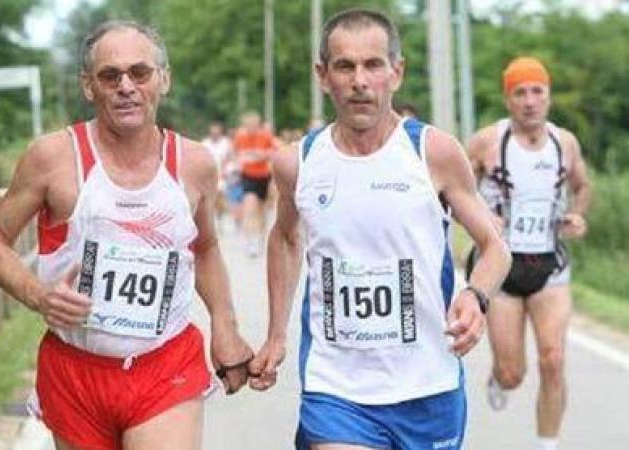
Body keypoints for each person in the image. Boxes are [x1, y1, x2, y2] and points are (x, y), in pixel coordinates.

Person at [0, 20, 253, 450]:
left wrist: (225, 325)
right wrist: (37, 294)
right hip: (76, 371)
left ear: (164, 79)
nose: (126, 85)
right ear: (89, 86)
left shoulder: (195, 162)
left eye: (139, 73)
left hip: (165, 365)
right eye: (110, 76)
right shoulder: (52, 158)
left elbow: (205, 247)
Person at [249, 9, 511, 450]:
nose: (359, 80)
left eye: (373, 65)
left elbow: (494, 247)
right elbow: (287, 237)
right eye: (344, 66)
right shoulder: (298, 162)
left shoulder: (432, 152)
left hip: (428, 386)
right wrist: (277, 334)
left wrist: (475, 296)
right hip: (336, 389)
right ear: (322, 75)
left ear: (396, 72)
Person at [466, 56, 591, 450]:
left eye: (538, 91)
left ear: (548, 96)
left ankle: (546, 445)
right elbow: (450, 195)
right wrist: (480, 221)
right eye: (520, 92)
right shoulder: (486, 142)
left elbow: (582, 186)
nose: (530, 101)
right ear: (508, 100)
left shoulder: (564, 142)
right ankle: (498, 377)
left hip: (549, 264)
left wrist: (576, 215)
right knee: (512, 374)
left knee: (553, 359)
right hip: (500, 268)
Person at [233, 111, 276, 257]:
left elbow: (274, 152)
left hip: (264, 176)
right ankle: (251, 242)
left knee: (261, 211)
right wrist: (238, 164)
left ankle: (260, 238)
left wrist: (261, 155)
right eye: (248, 126)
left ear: (258, 125)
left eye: (254, 126)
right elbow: (236, 154)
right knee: (250, 207)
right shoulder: (240, 137)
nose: (251, 128)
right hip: (247, 176)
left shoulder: (265, 136)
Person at [201, 122, 233, 229]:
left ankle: (220, 217)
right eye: (213, 132)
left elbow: (229, 157)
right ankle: (212, 219)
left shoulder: (226, 143)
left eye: (216, 132)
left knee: (219, 195)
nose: (214, 134)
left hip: (222, 174)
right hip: (208, 175)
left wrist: (224, 169)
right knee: (210, 198)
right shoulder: (205, 143)